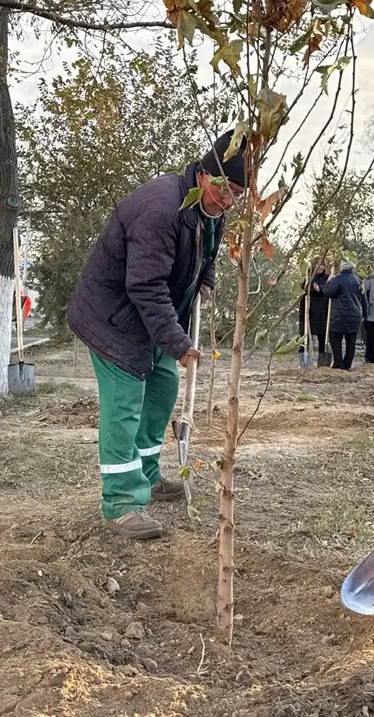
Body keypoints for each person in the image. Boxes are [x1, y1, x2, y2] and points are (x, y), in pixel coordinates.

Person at [69, 132, 247, 541]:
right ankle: (121, 501)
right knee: (125, 404)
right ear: (204, 175)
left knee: (162, 388)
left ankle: (147, 476)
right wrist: (179, 342)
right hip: (115, 317)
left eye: (238, 194)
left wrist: (205, 279)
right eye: (227, 189)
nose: (231, 200)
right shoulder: (162, 210)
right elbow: (146, 286)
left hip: (154, 316)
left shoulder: (210, 209)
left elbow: (208, 251)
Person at [324, 260, 364, 370]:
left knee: (335, 339)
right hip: (355, 315)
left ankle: (339, 364)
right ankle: (347, 365)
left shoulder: (338, 279)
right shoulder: (358, 280)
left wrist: (329, 281)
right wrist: (364, 314)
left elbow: (328, 292)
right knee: (351, 342)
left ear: (342, 267)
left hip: (339, 315)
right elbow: (363, 299)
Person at [298, 258, 330, 366]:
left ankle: (322, 363)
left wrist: (320, 289)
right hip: (308, 311)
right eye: (318, 265)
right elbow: (302, 289)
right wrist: (310, 287)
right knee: (304, 338)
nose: (320, 267)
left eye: (322, 265)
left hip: (322, 312)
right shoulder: (307, 277)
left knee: (322, 337)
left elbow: (329, 291)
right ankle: (303, 362)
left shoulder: (327, 278)